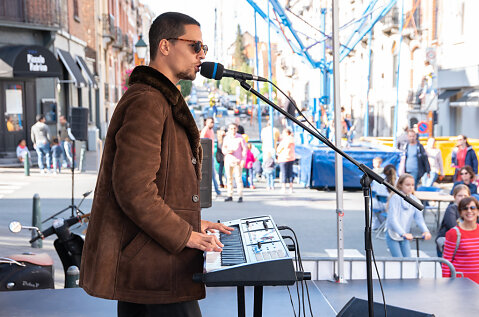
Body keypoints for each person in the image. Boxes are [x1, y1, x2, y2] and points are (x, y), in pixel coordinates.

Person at [79, 12, 234, 317]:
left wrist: (194, 224)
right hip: (154, 269)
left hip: (155, 264)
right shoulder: (148, 102)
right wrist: (185, 234)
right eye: (195, 46)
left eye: (204, 47)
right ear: (165, 45)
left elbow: (160, 187)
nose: (202, 54)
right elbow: (134, 190)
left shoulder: (160, 99)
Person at [386, 174, 431, 257]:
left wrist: (425, 230)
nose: (410, 187)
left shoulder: (414, 200)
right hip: (393, 234)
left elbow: (419, 218)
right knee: (398, 261)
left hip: (405, 235)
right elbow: (392, 219)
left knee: (408, 260)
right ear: (400, 185)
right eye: (407, 185)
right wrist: (403, 233)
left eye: (412, 185)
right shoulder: (396, 198)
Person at [442, 196, 479, 284]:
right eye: (465, 208)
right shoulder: (454, 233)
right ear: (460, 213)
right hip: (460, 284)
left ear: (478, 211)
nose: (469, 211)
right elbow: (446, 263)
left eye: (472, 208)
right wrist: (446, 284)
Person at [436, 184, 470, 256]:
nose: (463, 198)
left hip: (465, 244)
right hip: (448, 242)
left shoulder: (471, 211)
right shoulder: (451, 209)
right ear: (454, 197)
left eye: (465, 196)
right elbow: (453, 227)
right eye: (460, 196)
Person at [222, 123, 247, 203]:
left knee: (238, 178)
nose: (233, 130)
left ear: (236, 129)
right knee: (229, 178)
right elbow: (223, 148)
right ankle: (230, 195)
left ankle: (240, 195)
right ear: (229, 129)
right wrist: (226, 151)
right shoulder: (226, 138)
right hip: (228, 160)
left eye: (234, 128)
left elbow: (244, 150)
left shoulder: (240, 138)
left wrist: (243, 160)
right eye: (231, 128)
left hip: (237, 161)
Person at [200, 117, 221, 197]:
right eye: (210, 122)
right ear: (206, 123)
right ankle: (216, 191)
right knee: (211, 173)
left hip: (210, 154)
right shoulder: (205, 131)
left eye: (213, 122)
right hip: (207, 155)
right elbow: (201, 142)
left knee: (212, 173)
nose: (212, 124)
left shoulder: (211, 130)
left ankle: (216, 190)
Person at [371, 163, 397, 230]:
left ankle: (377, 225)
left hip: (376, 206)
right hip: (389, 207)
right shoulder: (397, 180)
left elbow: (373, 191)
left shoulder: (377, 178)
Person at [277, 128, 295, 194]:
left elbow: (279, 149)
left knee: (283, 173)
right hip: (291, 158)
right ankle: (291, 188)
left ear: (287, 133)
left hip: (283, 158)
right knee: (290, 173)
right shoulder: (292, 140)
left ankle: (283, 188)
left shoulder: (284, 141)